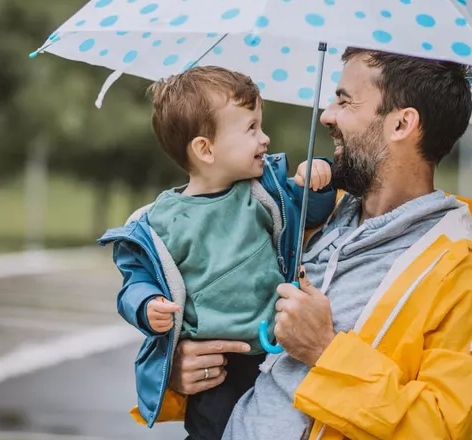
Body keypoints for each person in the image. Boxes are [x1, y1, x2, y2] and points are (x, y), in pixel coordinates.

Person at [148, 48, 472, 440]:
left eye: (344, 100)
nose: (327, 115)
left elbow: (444, 429)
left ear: (401, 124)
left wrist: (325, 351)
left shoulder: (468, 273)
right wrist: (178, 367)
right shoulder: (308, 217)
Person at [97, 65, 337, 440]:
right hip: (216, 364)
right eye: (251, 128)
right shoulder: (162, 222)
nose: (266, 138)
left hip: (276, 349)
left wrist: (316, 184)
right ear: (205, 149)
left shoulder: (264, 191)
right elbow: (136, 277)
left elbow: (310, 213)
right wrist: (146, 305)